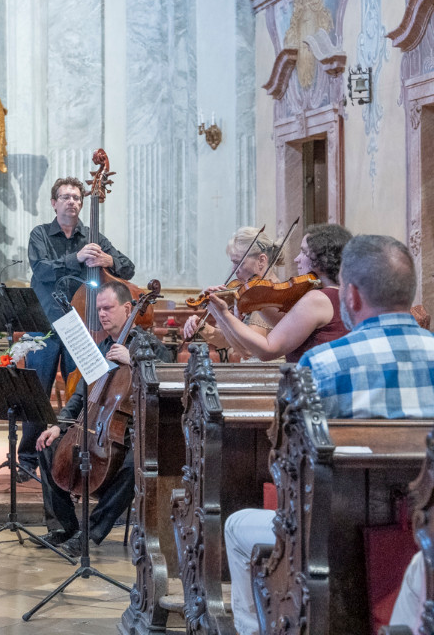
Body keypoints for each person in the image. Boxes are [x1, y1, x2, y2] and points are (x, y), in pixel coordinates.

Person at [224, 234, 434, 634]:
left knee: (236, 527)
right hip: (427, 528)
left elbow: (287, 462)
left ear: (350, 296)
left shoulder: (323, 363)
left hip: (330, 530)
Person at [33, 281, 174, 557]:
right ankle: (65, 527)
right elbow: (81, 394)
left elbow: (168, 378)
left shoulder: (149, 345)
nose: (102, 314)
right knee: (48, 446)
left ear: (128, 309)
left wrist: (134, 360)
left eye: (108, 308)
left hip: (133, 433)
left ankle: (90, 534)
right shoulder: (101, 348)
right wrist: (58, 426)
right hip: (98, 426)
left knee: (134, 465)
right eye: (99, 309)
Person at [19, 176, 136, 478]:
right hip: (44, 326)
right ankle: (28, 459)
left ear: (82, 203)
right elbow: (41, 270)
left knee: (81, 391)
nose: (71, 202)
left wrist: (109, 259)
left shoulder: (93, 237)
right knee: (37, 392)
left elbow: (128, 267)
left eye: (76, 197)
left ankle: (70, 452)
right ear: (54, 202)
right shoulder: (40, 234)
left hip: (81, 329)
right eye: (65, 197)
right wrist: (77, 258)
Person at [202, 223, 351, 363]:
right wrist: (255, 301)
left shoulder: (316, 299)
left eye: (304, 252)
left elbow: (267, 350)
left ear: (322, 259)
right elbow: (284, 326)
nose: (297, 259)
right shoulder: (342, 295)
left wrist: (224, 313)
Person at [181, 227, 285, 359]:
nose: (234, 270)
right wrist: (201, 326)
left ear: (261, 260)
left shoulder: (267, 295)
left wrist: (219, 313)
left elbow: (248, 351)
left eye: (238, 262)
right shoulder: (248, 292)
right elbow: (225, 340)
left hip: (268, 370)